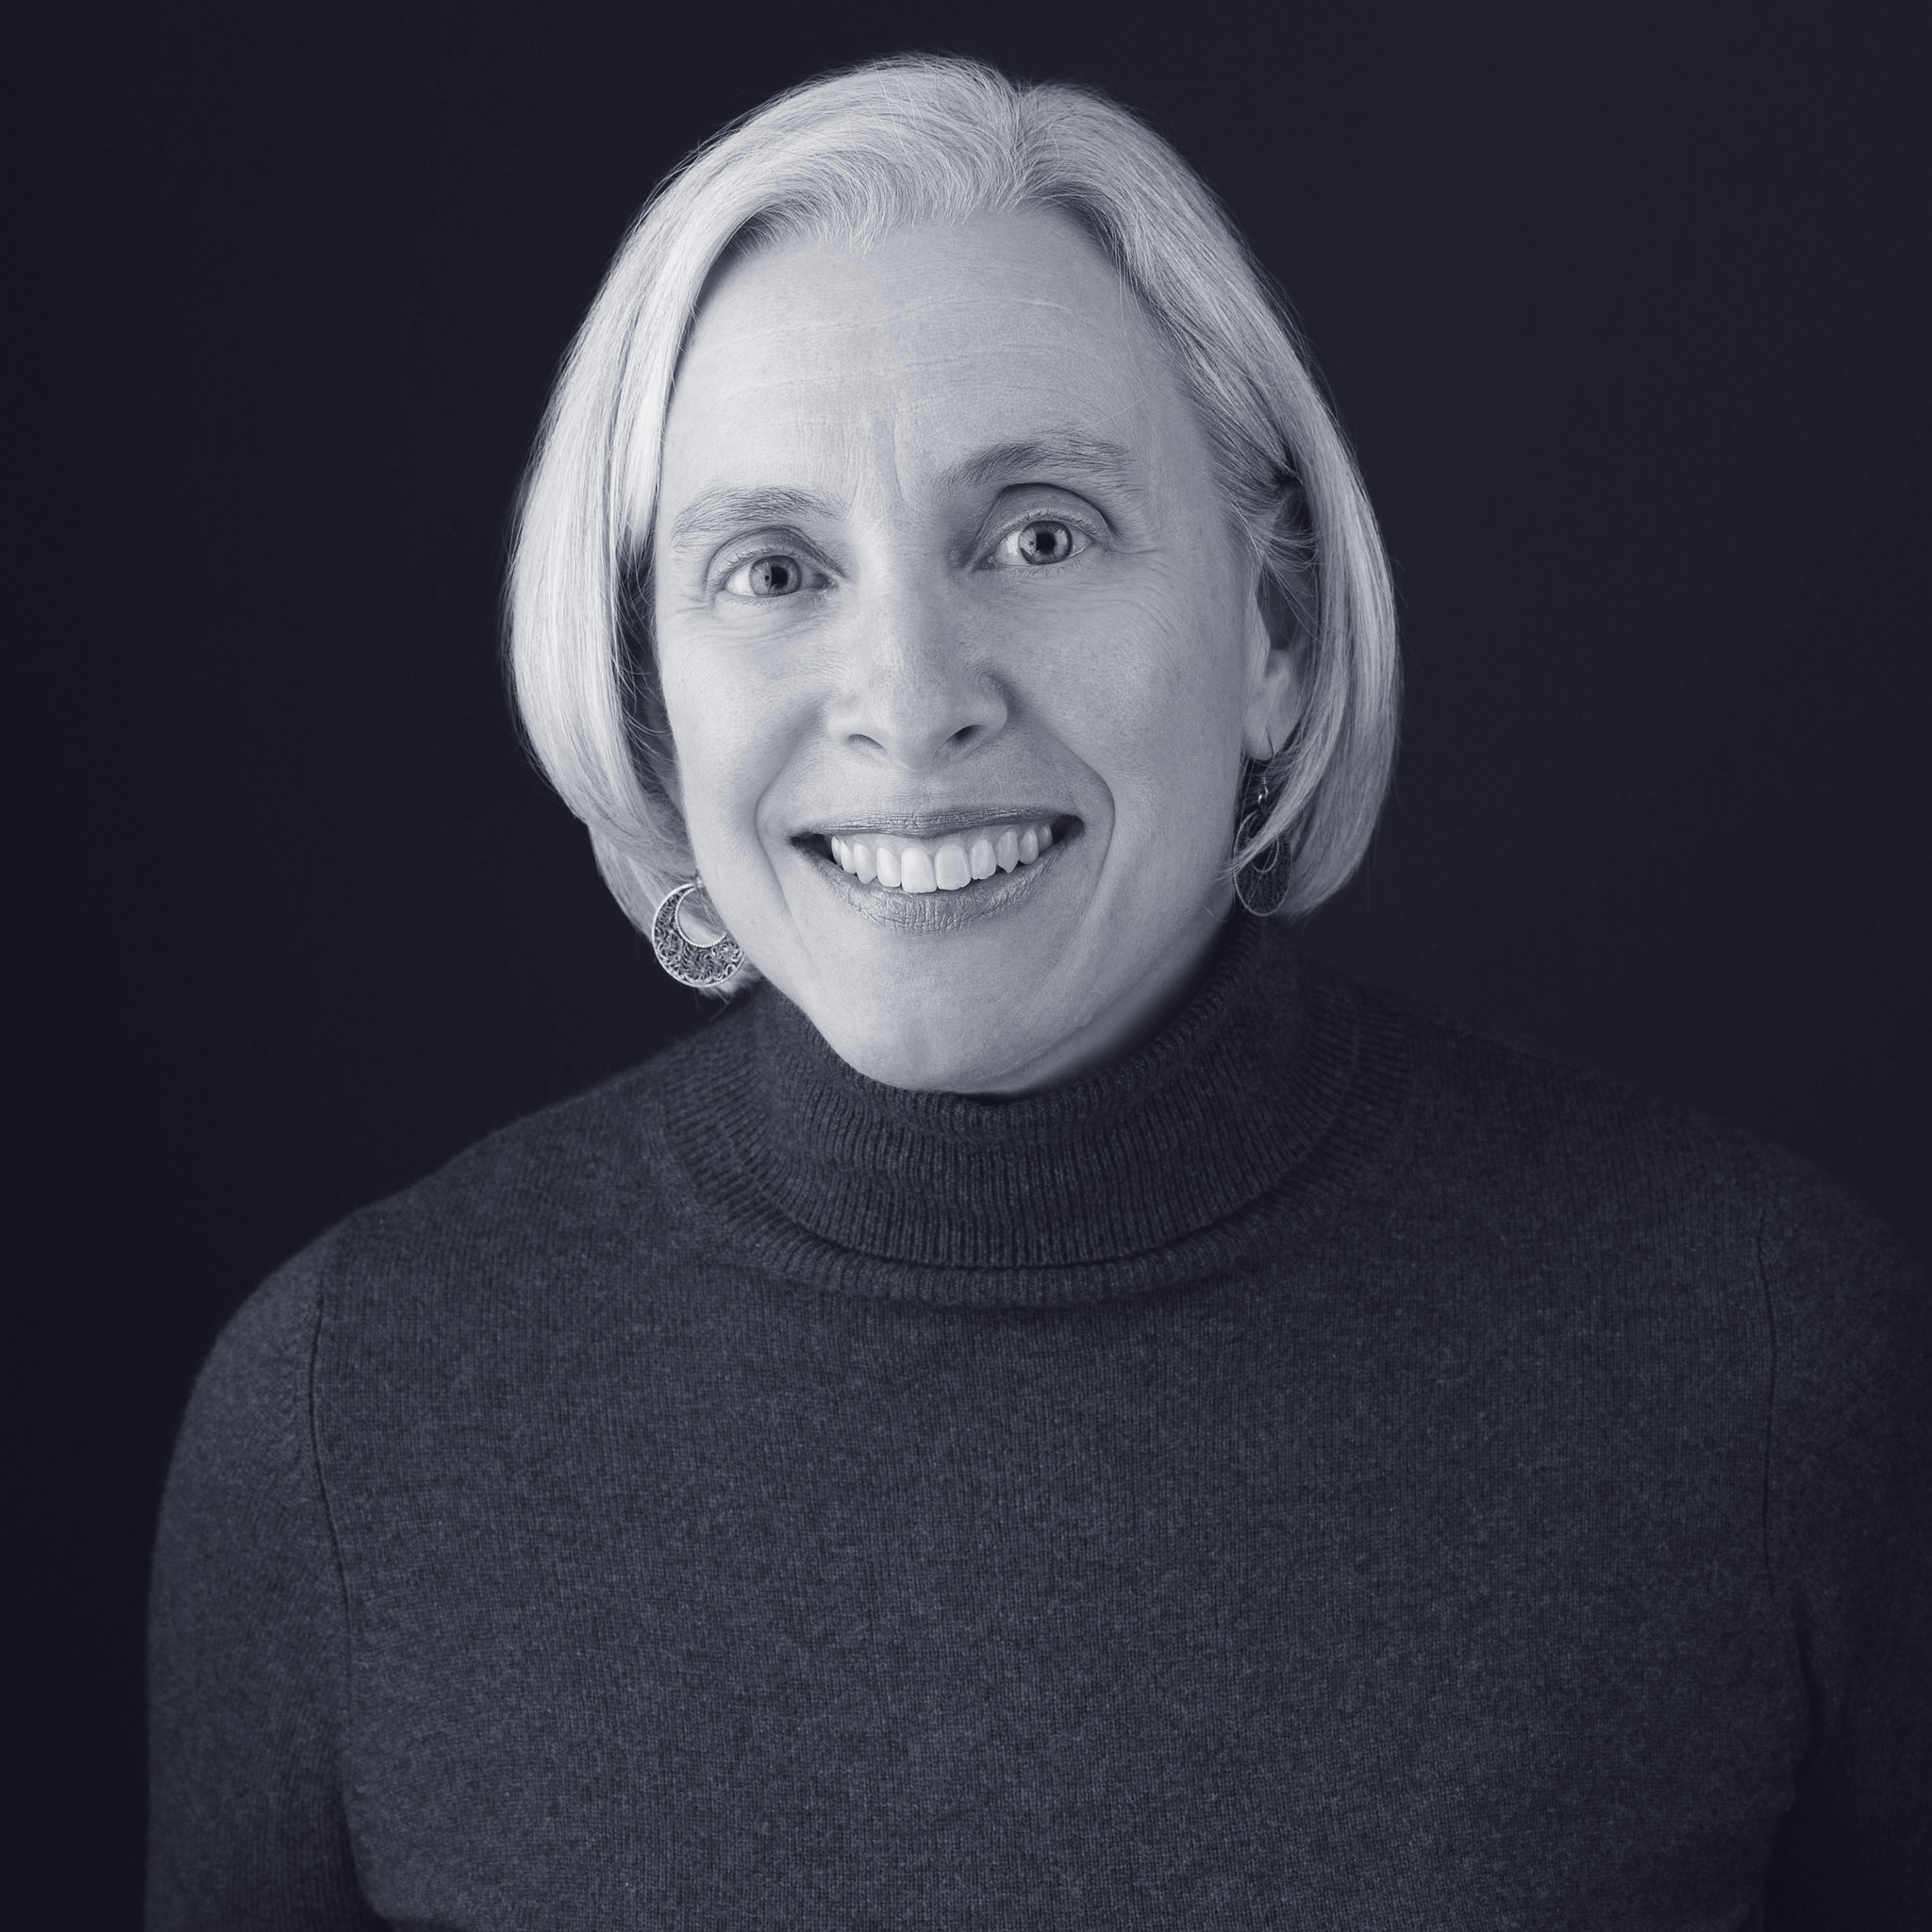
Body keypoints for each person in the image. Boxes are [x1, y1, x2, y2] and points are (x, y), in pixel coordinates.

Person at [146, 54, 1929, 1928]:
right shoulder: (349, 1410)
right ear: (652, 696)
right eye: (773, 568)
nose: (913, 700)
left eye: (1040, 536)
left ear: (1276, 630)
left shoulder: (1761, 1366)